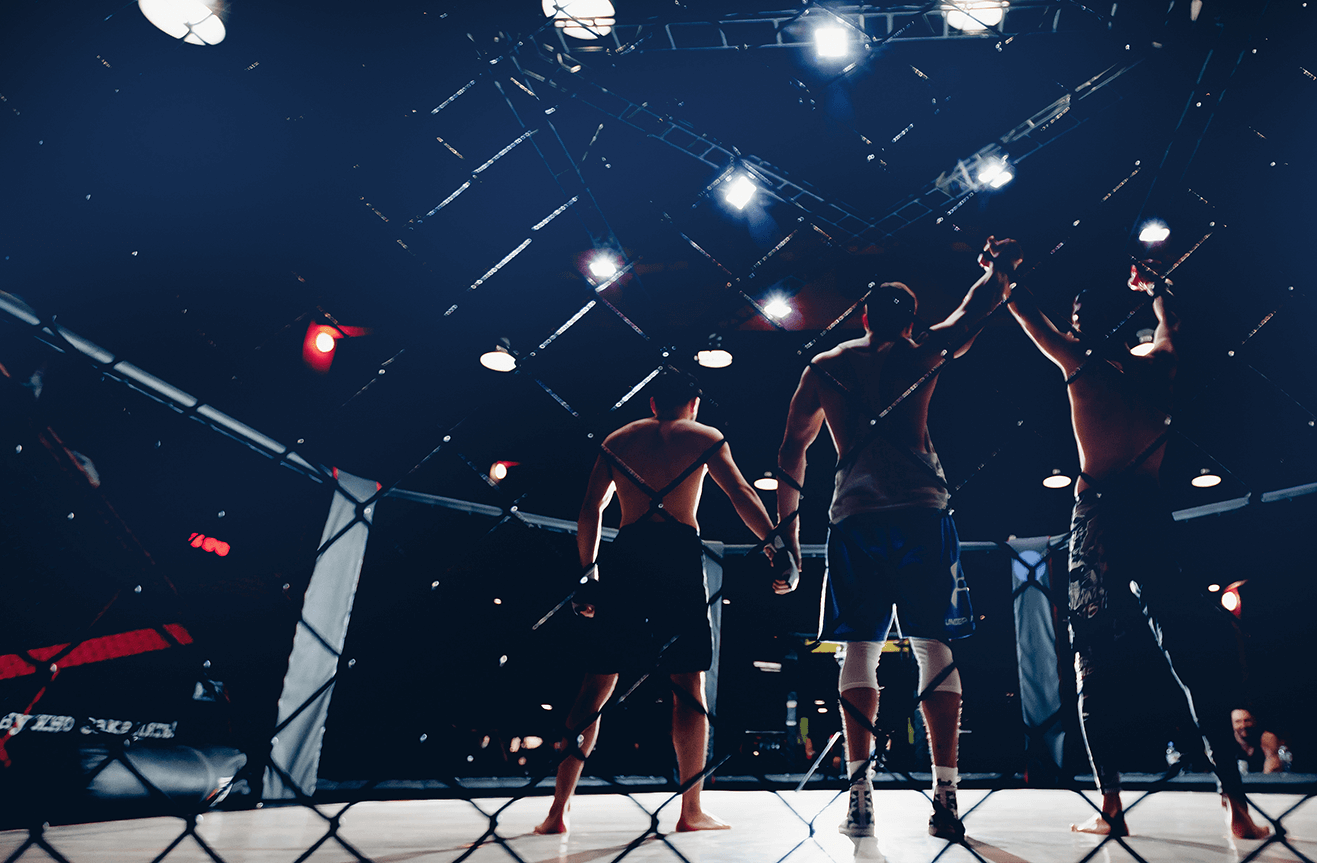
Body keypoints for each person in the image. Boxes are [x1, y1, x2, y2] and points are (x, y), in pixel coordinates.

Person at [1005, 263, 1270, 839]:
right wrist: (1156, 289)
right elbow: (1173, 324)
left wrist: (1005, 271)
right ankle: (1238, 807)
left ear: (1080, 325)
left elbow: (1024, 312)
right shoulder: (1158, 368)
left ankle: (1111, 807)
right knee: (1189, 656)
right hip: (1151, 514)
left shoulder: (1080, 365)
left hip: (1099, 518)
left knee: (1091, 660)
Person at [775, 238, 1021, 841]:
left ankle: (860, 796)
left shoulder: (826, 365)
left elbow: (791, 452)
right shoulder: (925, 351)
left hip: (855, 513)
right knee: (932, 644)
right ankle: (946, 795)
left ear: (861, 315)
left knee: (856, 649)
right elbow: (977, 308)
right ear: (910, 320)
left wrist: (788, 533)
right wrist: (1002, 267)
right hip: (920, 509)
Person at [534, 368, 782, 835]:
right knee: (687, 687)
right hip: (677, 555)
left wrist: (589, 573)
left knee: (595, 687)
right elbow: (741, 494)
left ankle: (557, 812)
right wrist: (773, 544)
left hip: (627, 553)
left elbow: (591, 508)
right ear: (695, 403)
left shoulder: (619, 439)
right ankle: (690, 810)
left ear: (651, 403)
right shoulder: (704, 435)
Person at [1232, 709, 1291, 775]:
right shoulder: (1227, 743)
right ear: (1232, 724)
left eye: (1247, 721)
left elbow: (1273, 768)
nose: (1243, 725)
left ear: (1254, 721)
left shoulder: (1266, 738)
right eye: (1238, 722)